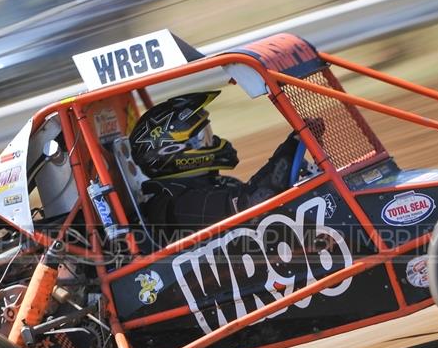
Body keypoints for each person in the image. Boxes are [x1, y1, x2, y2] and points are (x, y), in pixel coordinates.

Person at [128, 90, 305, 245]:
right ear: (171, 151)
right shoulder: (180, 205)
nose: (212, 141)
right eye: (201, 138)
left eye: (208, 134)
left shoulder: (214, 184)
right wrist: (292, 146)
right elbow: (254, 200)